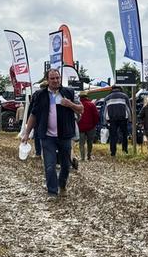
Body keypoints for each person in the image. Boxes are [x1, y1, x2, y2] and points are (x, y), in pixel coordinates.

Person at [21, 69, 83, 198]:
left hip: (65, 135)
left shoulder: (69, 93)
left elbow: (81, 109)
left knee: (66, 165)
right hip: (47, 136)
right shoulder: (39, 95)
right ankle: (52, 192)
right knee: (50, 165)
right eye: (52, 78)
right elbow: (33, 115)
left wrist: (70, 104)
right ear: (47, 80)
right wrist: (27, 133)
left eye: (57, 78)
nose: (55, 81)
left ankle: (62, 185)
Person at [103, 85, 131, 157]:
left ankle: (113, 152)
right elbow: (128, 109)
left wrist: (105, 121)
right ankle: (125, 151)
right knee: (124, 135)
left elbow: (105, 111)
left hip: (112, 120)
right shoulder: (124, 96)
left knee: (113, 136)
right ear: (120, 88)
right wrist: (130, 119)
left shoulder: (107, 98)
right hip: (123, 119)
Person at [77, 91, 99, 161]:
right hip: (90, 127)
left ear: (79, 97)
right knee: (90, 142)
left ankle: (82, 157)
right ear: (87, 97)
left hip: (80, 127)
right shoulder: (91, 104)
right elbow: (96, 116)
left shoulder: (77, 105)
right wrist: (94, 124)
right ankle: (89, 155)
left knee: (81, 143)